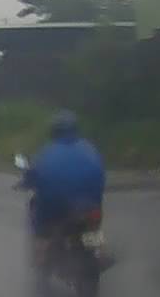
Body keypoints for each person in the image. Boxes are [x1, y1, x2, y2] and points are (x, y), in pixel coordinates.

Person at [20, 110, 105, 264]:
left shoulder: (46, 152)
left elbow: (33, 175)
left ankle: (41, 254)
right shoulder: (90, 149)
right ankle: (98, 250)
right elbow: (100, 174)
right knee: (94, 224)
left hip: (55, 206)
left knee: (39, 221)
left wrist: (26, 181)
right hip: (89, 204)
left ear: (54, 131)